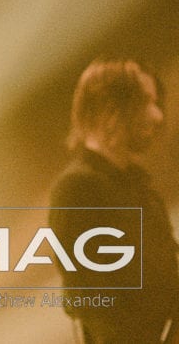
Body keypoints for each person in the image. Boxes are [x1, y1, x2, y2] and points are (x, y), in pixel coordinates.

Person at [48, 59, 179, 343]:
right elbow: (99, 308)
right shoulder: (76, 191)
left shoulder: (137, 184)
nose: (157, 115)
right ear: (109, 109)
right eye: (145, 102)